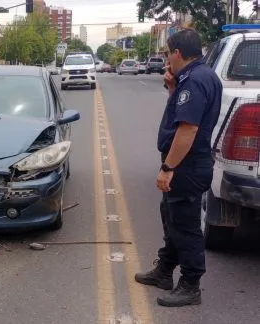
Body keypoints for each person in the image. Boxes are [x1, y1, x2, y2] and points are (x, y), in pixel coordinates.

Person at [134, 28, 223, 307]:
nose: (166, 60)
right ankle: (164, 271)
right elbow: (181, 116)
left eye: (167, 53)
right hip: (187, 164)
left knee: (185, 225)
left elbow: (187, 130)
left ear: (177, 53)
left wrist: (168, 167)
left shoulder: (195, 81)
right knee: (172, 218)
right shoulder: (194, 77)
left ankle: (190, 284)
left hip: (186, 166)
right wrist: (172, 88)